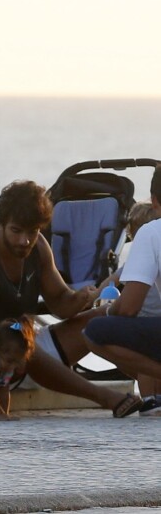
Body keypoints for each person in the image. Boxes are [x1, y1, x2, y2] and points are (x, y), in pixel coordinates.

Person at [0, 179, 142, 418]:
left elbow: (60, 302)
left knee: (104, 318)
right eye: (16, 231)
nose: (24, 241)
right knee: (21, 340)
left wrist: (81, 298)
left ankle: (149, 389)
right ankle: (107, 398)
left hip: (23, 349)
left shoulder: (38, 248)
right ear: (0, 224)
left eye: (32, 232)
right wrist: (0, 338)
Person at [84, 165, 161, 416]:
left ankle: (151, 399)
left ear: (155, 201)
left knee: (94, 331)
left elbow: (128, 308)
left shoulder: (151, 234)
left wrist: (108, 310)